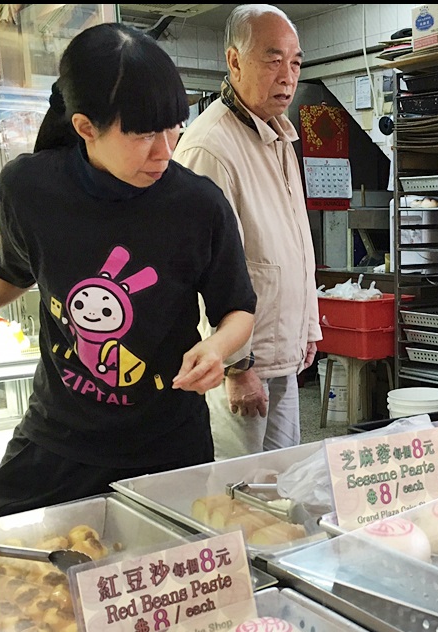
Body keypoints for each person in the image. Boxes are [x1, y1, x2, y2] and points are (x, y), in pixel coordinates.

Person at [0, 23, 256, 517]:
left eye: (173, 126)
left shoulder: (198, 205)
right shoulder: (30, 189)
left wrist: (217, 348)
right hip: (59, 439)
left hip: (168, 446)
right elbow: (12, 271)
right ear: (85, 127)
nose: (165, 149)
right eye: (142, 133)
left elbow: (237, 308)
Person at [173, 4, 321, 459]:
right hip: (239, 363)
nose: (288, 76)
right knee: (240, 490)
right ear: (234, 61)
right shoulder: (209, 146)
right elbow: (200, 272)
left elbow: (295, 243)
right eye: (272, 59)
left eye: (295, 62)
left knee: (283, 480)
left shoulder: (280, 134)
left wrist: (309, 327)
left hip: (281, 352)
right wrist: (236, 368)